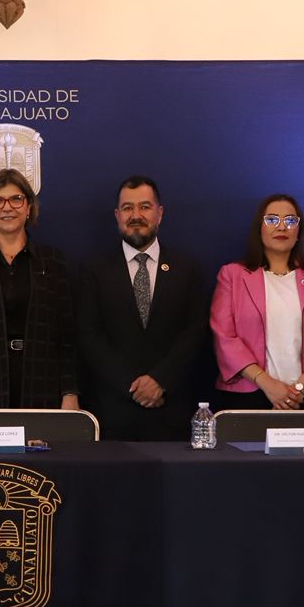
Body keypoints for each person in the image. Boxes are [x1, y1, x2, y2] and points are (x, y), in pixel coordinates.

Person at [76, 175, 209, 441]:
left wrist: (160, 380)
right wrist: (133, 386)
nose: (136, 215)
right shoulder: (93, 270)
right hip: (113, 413)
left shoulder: (187, 269)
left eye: (145, 207)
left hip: (172, 410)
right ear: (117, 215)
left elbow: (195, 331)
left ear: (160, 213)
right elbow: (89, 336)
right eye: (128, 208)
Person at [0, 168, 78, 424]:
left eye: (16, 199)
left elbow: (67, 333)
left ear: (29, 207)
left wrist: (70, 392)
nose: (7, 207)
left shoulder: (53, 260)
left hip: (43, 385)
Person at [209, 194, 304, 413]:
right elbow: (224, 336)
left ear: (299, 231)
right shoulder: (232, 275)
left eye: (290, 220)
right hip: (250, 396)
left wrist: (299, 389)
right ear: (259, 228)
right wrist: (269, 385)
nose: (282, 226)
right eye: (272, 219)